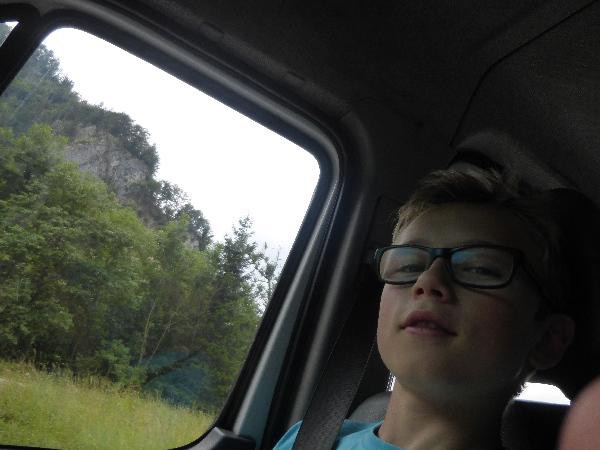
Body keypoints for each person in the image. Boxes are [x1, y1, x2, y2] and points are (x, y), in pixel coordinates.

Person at [274, 167, 600, 450]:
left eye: (480, 268)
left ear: (547, 340)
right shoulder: (308, 437)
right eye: (408, 265)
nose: (428, 281)